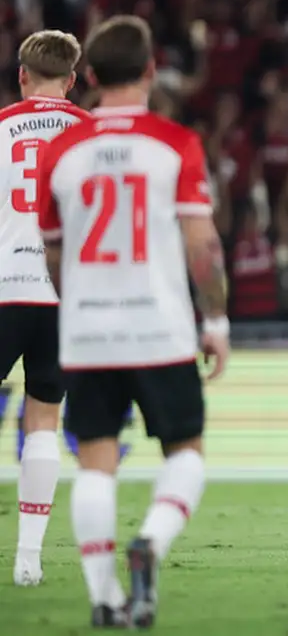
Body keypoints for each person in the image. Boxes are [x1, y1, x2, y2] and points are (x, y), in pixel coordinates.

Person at [35, 15, 229, 628]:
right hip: (160, 329)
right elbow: (203, 245)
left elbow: (53, 253)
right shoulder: (176, 143)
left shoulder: (61, 150)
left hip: (88, 332)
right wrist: (217, 320)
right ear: (150, 71)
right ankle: (150, 541)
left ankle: (103, 598)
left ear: (89, 76)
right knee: (186, 453)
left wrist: (77, 306)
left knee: (95, 460)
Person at [0, 29, 89, 587]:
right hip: (62, 296)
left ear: (22, 76)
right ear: (72, 80)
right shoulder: (91, 134)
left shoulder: (2, 126)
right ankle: (28, 560)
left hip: (4, 288)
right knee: (43, 422)